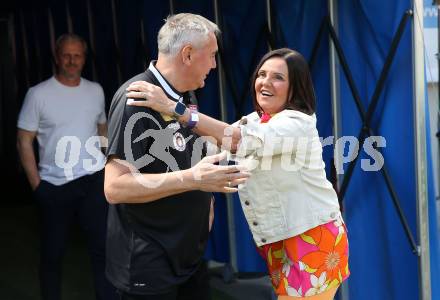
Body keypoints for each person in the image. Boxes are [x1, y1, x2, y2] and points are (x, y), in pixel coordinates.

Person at [126, 48, 350, 300]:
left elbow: (235, 141)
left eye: (278, 77)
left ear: (295, 87)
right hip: (281, 240)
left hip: (313, 236)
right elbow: (208, 144)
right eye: (262, 74)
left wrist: (173, 107)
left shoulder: (297, 122)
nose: (265, 82)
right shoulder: (257, 119)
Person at [104, 13, 249, 300]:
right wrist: (194, 179)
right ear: (187, 54)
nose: (214, 65)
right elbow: (114, 187)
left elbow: (196, 149)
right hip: (149, 264)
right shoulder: (135, 99)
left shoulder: (183, 97)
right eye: (212, 55)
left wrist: (205, 200)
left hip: (187, 256)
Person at [16, 34, 117, 300]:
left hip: (94, 180)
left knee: (102, 251)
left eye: (78, 55)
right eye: (66, 55)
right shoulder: (38, 94)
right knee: (53, 255)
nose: (72, 61)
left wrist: (109, 162)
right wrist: (36, 185)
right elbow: (24, 141)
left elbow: (102, 127)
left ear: (84, 59)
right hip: (54, 186)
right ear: (57, 56)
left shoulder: (95, 90)